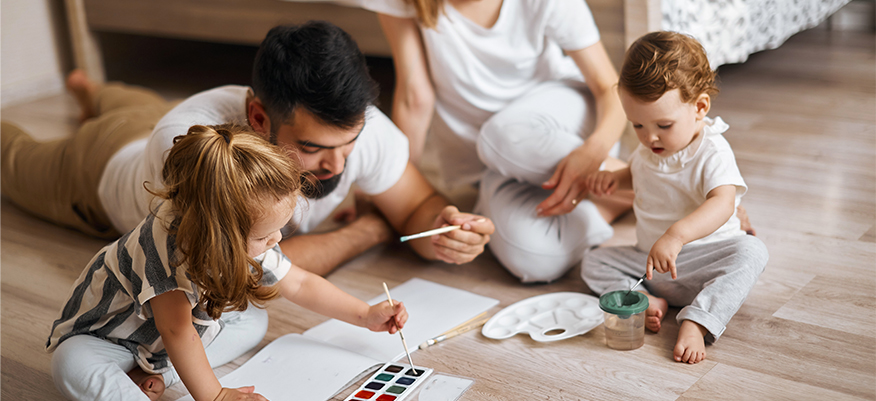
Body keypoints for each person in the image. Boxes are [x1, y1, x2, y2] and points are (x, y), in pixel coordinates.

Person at [0, 21, 494, 276]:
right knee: (12, 159)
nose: (339, 165)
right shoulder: (197, 155)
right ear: (258, 118)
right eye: (314, 148)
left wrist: (450, 232)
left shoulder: (356, 125)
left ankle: (91, 91)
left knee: (127, 101)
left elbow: (418, 209)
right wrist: (370, 228)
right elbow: (251, 274)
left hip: (150, 117)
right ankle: (92, 103)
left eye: (351, 143)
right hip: (96, 172)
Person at [45, 124, 410, 401]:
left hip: (165, 337)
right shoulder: (162, 251)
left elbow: (299, 283)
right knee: (70, 364)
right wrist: (216, 396)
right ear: (218, 233)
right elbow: (177, 331)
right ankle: (142, 381)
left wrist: (364, 315)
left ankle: (160, 375)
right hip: (108, 337)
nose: (276, 241)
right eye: (265, 237)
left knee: (253, 321)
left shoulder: (237, 229)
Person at [369, 0, 635, 283]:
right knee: (531, 259)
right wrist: (396, 193)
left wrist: (594, 150)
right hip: (493, 164)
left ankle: (637, 180)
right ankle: (611, 200)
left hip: (564, 130)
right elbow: (414, 97)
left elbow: (609, 87)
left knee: (502, 136)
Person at [580, 31, 769, 364]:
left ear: (699, 107)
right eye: (636, 124)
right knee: (592, 261)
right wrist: (614, 179)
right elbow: (641, 173)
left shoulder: (711, 152)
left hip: (706, 260)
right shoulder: (649, 148)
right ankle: (643, 300)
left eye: (663, 125)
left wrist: (676, 236)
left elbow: (723, 202)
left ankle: (698, 320)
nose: (649, 136)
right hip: (652, 267)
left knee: (752, 252)